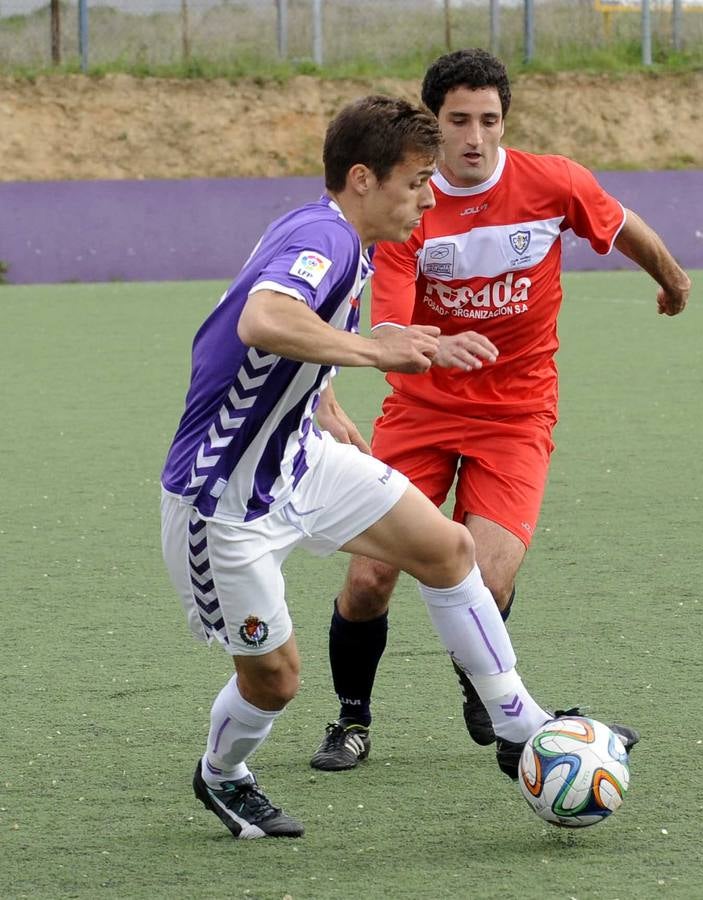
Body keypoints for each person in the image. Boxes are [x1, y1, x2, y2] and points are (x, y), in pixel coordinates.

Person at [160, 94, 599, 840]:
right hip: (224, 500)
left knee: (447, 548)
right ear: (361, 179)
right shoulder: (323, 237)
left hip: (301, 460)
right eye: (415, 181)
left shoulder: (342, 241)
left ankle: (520, 725)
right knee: (274, 681)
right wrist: (377, 351)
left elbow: (290, 336)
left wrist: (325, 402)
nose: (429, 198)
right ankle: (223, 773)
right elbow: (262, 319)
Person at [310, 49, 689, 773]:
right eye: (458, 121)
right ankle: (350, 719)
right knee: (366, 582)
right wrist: (429, 348)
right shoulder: (409, 205)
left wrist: (671, 278)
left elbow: (619, 222)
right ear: (433, 126)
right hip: (419, 412)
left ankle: (484, 691)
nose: (475, 137)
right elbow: (385, 328)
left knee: (487, 577)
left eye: (488, 120)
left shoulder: (551, 182)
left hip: (516, 414)